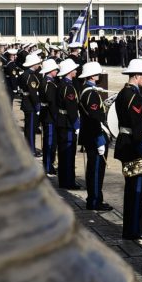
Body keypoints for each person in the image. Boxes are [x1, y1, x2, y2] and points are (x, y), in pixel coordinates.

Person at [114, 58, 142, 240]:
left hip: (129, 143)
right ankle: (134, 229)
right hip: (133, 146)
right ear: (137, 76)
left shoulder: (126, 92)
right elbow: (136, 126)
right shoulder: (133, 96)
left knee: (134, 189)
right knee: (137, 190)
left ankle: (134, 228)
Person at [77, 61, 112, 211]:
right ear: (92, 75)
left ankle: (95, 198)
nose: (99, 75)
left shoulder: (88, 89)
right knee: (96, 170)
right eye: (97, 73)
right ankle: (95, 200)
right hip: (94, 136)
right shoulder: (90, 93)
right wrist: (100, 141)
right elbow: (94, 119)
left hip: (90, 135)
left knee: (94, 169)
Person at [55, 58, 81, 191]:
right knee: (68, 153)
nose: (76, 71)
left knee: (64, 153)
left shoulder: (63, 84)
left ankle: (64, 180)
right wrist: (76, 125)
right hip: (67, 123)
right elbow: (71, 109)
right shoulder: (68, 87)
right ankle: (68, 181)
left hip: (62, 122)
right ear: (70, 71)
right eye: (74, 69)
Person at [19, 53, 43, 155]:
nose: (38, 64)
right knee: (31, 129)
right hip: (30, 104)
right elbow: (33, 93)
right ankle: (31, 150)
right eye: (37, 63)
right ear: (33, 64)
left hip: (28, 103)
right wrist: (37, 106)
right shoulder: (29, 76)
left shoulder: (29, 74)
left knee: (30, 129)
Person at [39, 58, 59, 176]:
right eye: (55, 69)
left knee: (51, 142)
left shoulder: (48, 82)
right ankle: (47, 166)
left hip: (47, 115)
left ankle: (49, 164)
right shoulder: (49, 84)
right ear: (50, 70)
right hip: (49, 117)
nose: (56, 71)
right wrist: (56, 117)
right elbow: (52, 103)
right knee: (49, 143)